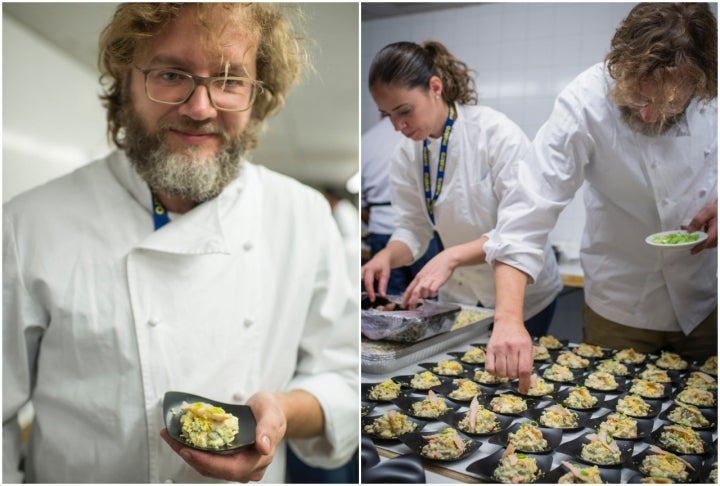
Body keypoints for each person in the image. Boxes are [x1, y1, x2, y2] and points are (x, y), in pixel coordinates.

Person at [3, 3, 358, 483]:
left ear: (257, 95)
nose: (200, 107)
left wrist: (281, 412)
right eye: (172, 73)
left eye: (230, 80)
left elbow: (343, 375)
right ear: (125, 82)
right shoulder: (29, 226)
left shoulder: (301, 215)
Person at [484, 2, 717, 393]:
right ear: (619, 66)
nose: (647, 116)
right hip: (619, 305)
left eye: (667, 106)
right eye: (639, 100)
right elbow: (528, 209)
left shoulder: (714, 93)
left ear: (700, 85)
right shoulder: (583, 102)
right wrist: (508, 317)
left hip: (705, 304)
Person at [361, 40, 563, 337]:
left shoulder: (494, 133)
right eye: (388, 114)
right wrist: (388, 256)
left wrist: (451, 256)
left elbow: (519, 229)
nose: (397, 126)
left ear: (435, 87)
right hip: (463, 298)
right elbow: (413, 230)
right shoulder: (405, 155)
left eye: (404, 111)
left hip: (524, 296)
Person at [361, 117, 442, 296]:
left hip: (380, 227)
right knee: (426, 297)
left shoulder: (366, 140)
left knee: (388, 297)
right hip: (422, 229)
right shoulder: (414, 139)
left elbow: (362, 205)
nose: (398, 127)